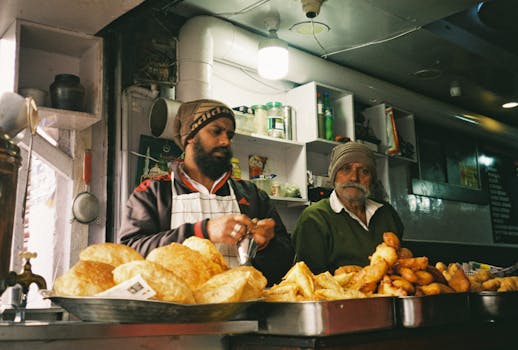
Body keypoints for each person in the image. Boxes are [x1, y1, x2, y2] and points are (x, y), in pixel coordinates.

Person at [118, 99, 294, 285]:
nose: (226, 141)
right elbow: (129, 256)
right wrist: (202, 230)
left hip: (240, 310)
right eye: (216, 131)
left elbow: (284, 267)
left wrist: (266, 245)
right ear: (190, 136)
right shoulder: (153, 193)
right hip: (175, 308)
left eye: (229, 134)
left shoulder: (252, 195)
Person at [292, 141, 404, 274]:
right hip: (338, 294)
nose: (354, 177)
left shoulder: (386, 212)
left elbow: (401, 264)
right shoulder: (315, 217)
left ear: (372, 180)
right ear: (333, 177)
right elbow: (309, 279)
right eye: (346, 168)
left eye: (364, 171)